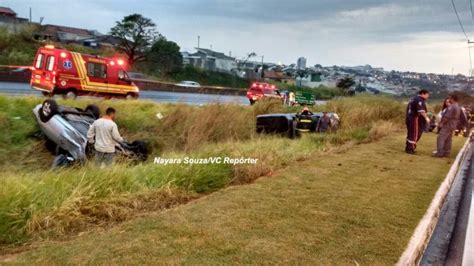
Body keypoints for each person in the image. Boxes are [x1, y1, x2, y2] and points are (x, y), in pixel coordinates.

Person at [405, 89, 430, 154]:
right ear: (423, 94)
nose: (428, 96)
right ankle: (411, 148)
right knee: (415, 134)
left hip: (409, 117)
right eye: (427, 95)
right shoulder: (419, 100)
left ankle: (408, 147)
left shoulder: (413, 99)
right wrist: (426, 118)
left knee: (410, 133)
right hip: (415, 118)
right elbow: (421, 111)